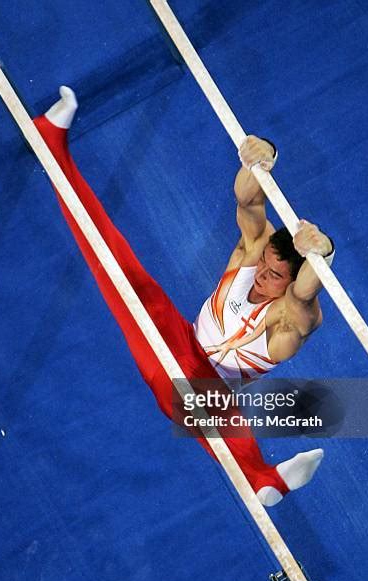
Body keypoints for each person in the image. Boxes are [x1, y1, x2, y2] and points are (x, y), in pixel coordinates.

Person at [34, 87, 334, 507]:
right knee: (113, 257)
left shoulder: (288, 317)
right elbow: (249, 198)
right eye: (263, 264)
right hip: (178, 334)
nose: (260, 274)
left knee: (212, 409)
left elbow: (305, 295)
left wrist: (323, 253)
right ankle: (51, 142)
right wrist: (263, 156)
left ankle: (263, 478)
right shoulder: (257, 249)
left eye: (274, 276)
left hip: (207, 387)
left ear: (292, 282)